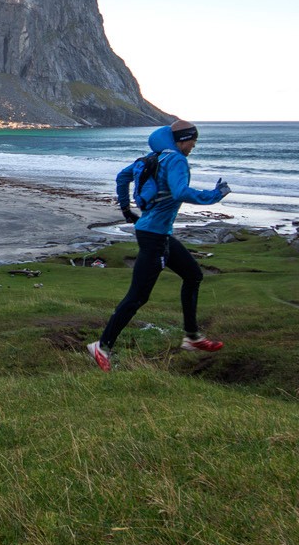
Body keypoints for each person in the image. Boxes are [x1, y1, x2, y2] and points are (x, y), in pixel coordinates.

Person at [88, 120, 230, 370]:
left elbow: (122, 177)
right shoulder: (176, 160)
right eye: (193, 141)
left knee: (193, 275)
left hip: (156, 233)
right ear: (182, 140)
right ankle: (102, 346)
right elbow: (180, 192)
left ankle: (192, 337)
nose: (194, 145)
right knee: (138, 296)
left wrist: (126, 210)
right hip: (154, 237)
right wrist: (215, 195)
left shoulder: (153, 158)